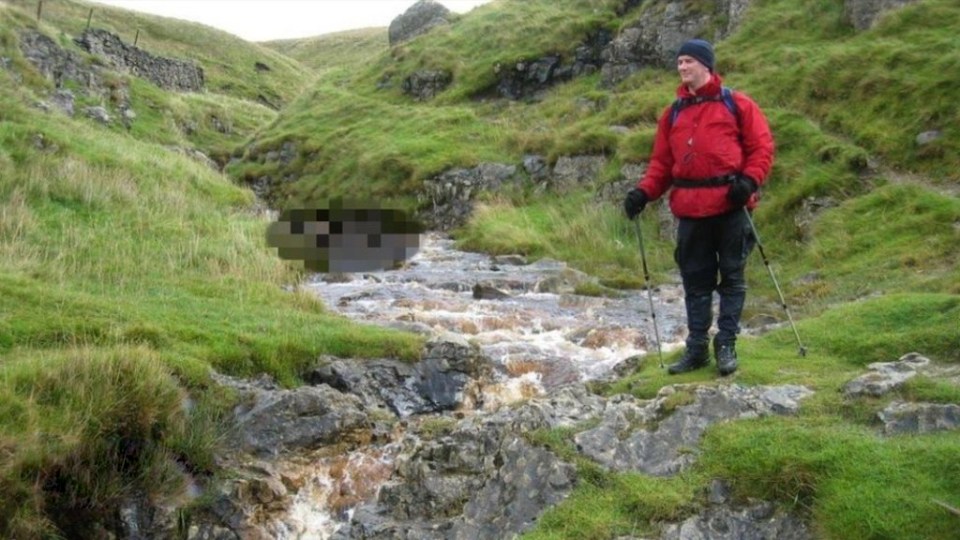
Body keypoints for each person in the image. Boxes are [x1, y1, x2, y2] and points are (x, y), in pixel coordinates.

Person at [623, 38, 774, 376]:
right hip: (690, 209)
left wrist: (749, 182)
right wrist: (643, 193)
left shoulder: (738, 104)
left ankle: (727, 344)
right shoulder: (673, 114)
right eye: (679, 62)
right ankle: (696, 349)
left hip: (731, 206)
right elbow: (661, 164)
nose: (682, 67)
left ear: (706, 65)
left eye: (688, 61)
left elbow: (761, 147)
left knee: (733, 277)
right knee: (695, 281)